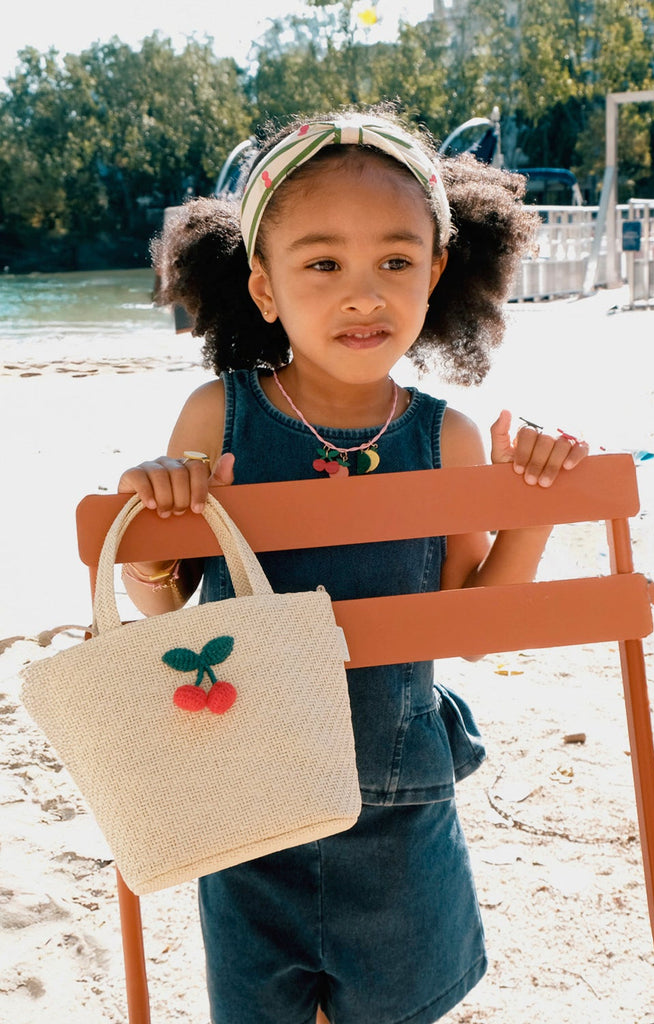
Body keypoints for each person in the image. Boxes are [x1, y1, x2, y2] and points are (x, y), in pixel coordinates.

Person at [116, 106, 588, 1024]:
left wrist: (532, 503)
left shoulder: (447, 439)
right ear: (264, 287)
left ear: (437, 273)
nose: (363, 295)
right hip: (251, 805)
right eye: (323, 264)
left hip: (401, 807)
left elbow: (475, 626)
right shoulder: (218, 418)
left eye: (395, 263)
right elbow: (164, 615)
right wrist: (158, 518)